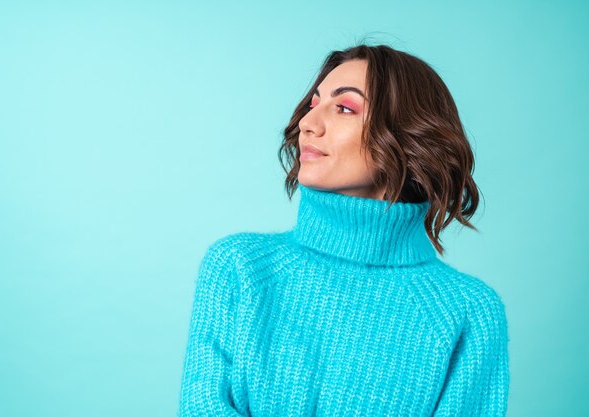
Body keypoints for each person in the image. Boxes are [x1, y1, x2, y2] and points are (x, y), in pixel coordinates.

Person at [178, 43, 509, 416]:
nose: (307, 122)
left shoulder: (468, 312)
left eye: (344, 108)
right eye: (313, 104)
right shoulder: (240, 268)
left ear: (408, 137)